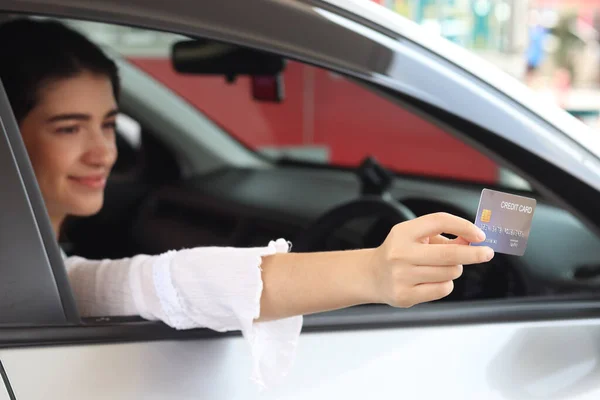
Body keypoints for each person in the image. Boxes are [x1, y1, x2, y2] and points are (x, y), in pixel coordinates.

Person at [0, 18, 494, 389]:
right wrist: (372, 271)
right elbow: (154, 285)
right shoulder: (25, 279)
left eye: (108, 123)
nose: (103, 151)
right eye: (68, 127)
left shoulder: (38, 256)